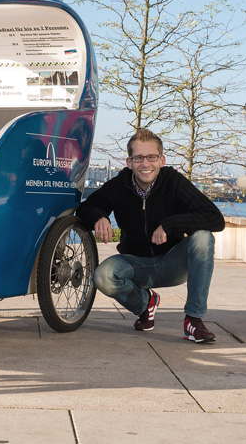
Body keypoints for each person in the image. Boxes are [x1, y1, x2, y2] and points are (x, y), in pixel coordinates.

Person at [77, 129, 224, 343]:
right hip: (135, 265)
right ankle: (145, 304)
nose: (145, 164)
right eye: (139, 158)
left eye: (151, 157)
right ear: (129, 162)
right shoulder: (119, 186)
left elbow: (215, 218)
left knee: (203, 237)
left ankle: (193, 320)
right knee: (103, 276)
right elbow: (85, 208)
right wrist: (99, 217)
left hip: (173, 262)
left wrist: (171, 224)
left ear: (161, 160)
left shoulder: (174, 182)